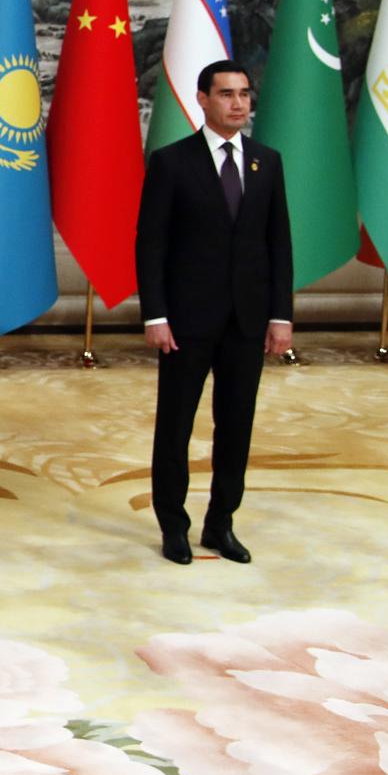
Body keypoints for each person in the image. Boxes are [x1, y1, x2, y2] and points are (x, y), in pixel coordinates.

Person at [137, 60, 292, 565]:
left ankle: (220, 523)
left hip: (247, 322)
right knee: (176, 426)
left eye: (245, 94)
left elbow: (278, 245)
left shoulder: (266, 162)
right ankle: (173, 525)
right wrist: (155, 315)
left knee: (236, 425)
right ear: (203, 100)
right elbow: (151, 245)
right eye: (227, 94)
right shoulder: (171, 162)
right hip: (185, 322)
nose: (239, 104)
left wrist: (280, 315)